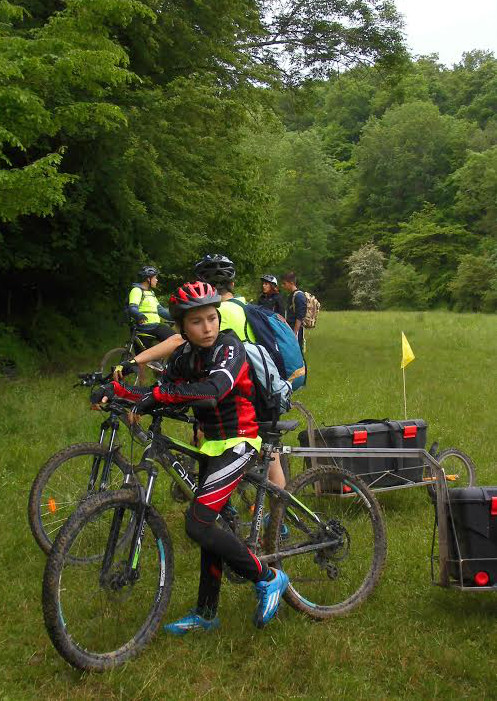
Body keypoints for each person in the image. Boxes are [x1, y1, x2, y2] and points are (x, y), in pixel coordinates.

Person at [93, 281, 289, 634]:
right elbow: (157, 390)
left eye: (212, 318)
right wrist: (114, 391)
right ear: (182, 327)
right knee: (211, 526)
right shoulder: (184, 357)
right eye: (197, 322)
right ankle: (206, 613)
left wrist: (158, 396)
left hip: (240, 441)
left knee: (197, 524)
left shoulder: (229, 348)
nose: (208, 327)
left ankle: (268, 577)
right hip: (211, 445)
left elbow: (213, 390)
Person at [128, 266, 176, 343]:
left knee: (145, 354)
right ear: (148, 279)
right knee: (176, 339)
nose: (157, 280)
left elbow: (160, 310)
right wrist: (139, 315)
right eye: (155, 278)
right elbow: (132, 308)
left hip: (152, 327)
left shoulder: (151, 293)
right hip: (147, 326)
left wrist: (175, 317)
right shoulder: (136, 290)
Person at [281, 272, 307, 352]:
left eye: (284, 283)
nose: (283, 286)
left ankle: (303, 365)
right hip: (290, 328)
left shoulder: (299, 296)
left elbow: (300, 317)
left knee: (298, 353)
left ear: (291, 283)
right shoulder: (291, 295)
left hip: (296, 330)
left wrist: (295, 333)